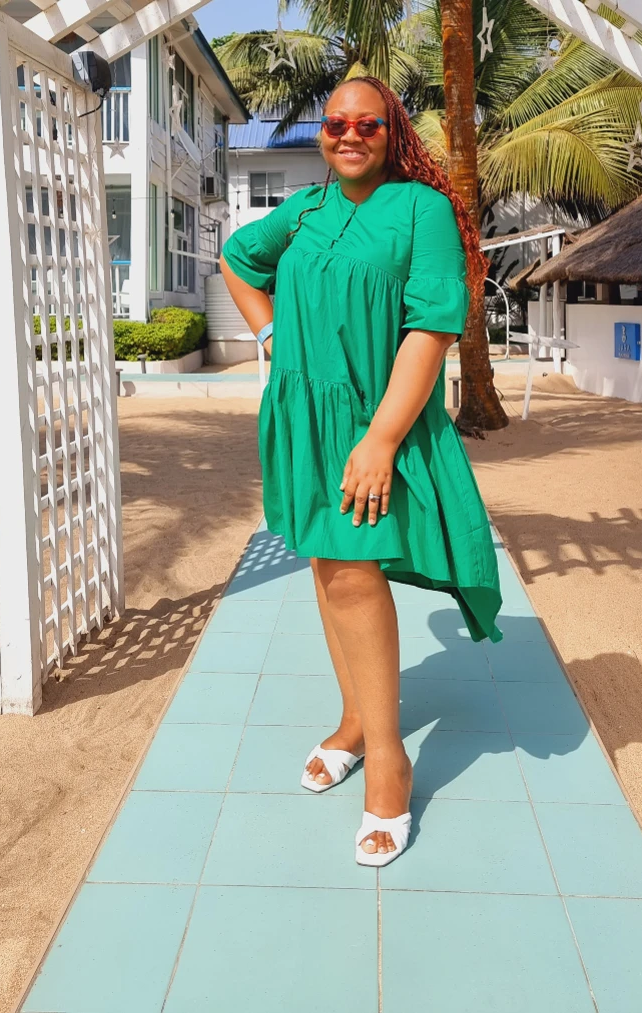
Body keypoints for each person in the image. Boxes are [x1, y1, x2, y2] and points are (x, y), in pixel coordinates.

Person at [219, 75, 502, 867]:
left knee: (351, 572)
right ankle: (354, 720)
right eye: (336, 122)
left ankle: (388, 756)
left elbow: (431, 326)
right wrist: (272, 335)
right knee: (328, 564)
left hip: (371, 422)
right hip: (299, 418)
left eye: (366, 123)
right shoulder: (304, 211)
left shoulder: (421, 209)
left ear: (392, 130)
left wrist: (380, 439)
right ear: (323, 133)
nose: (349, 134)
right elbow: (237, 259)